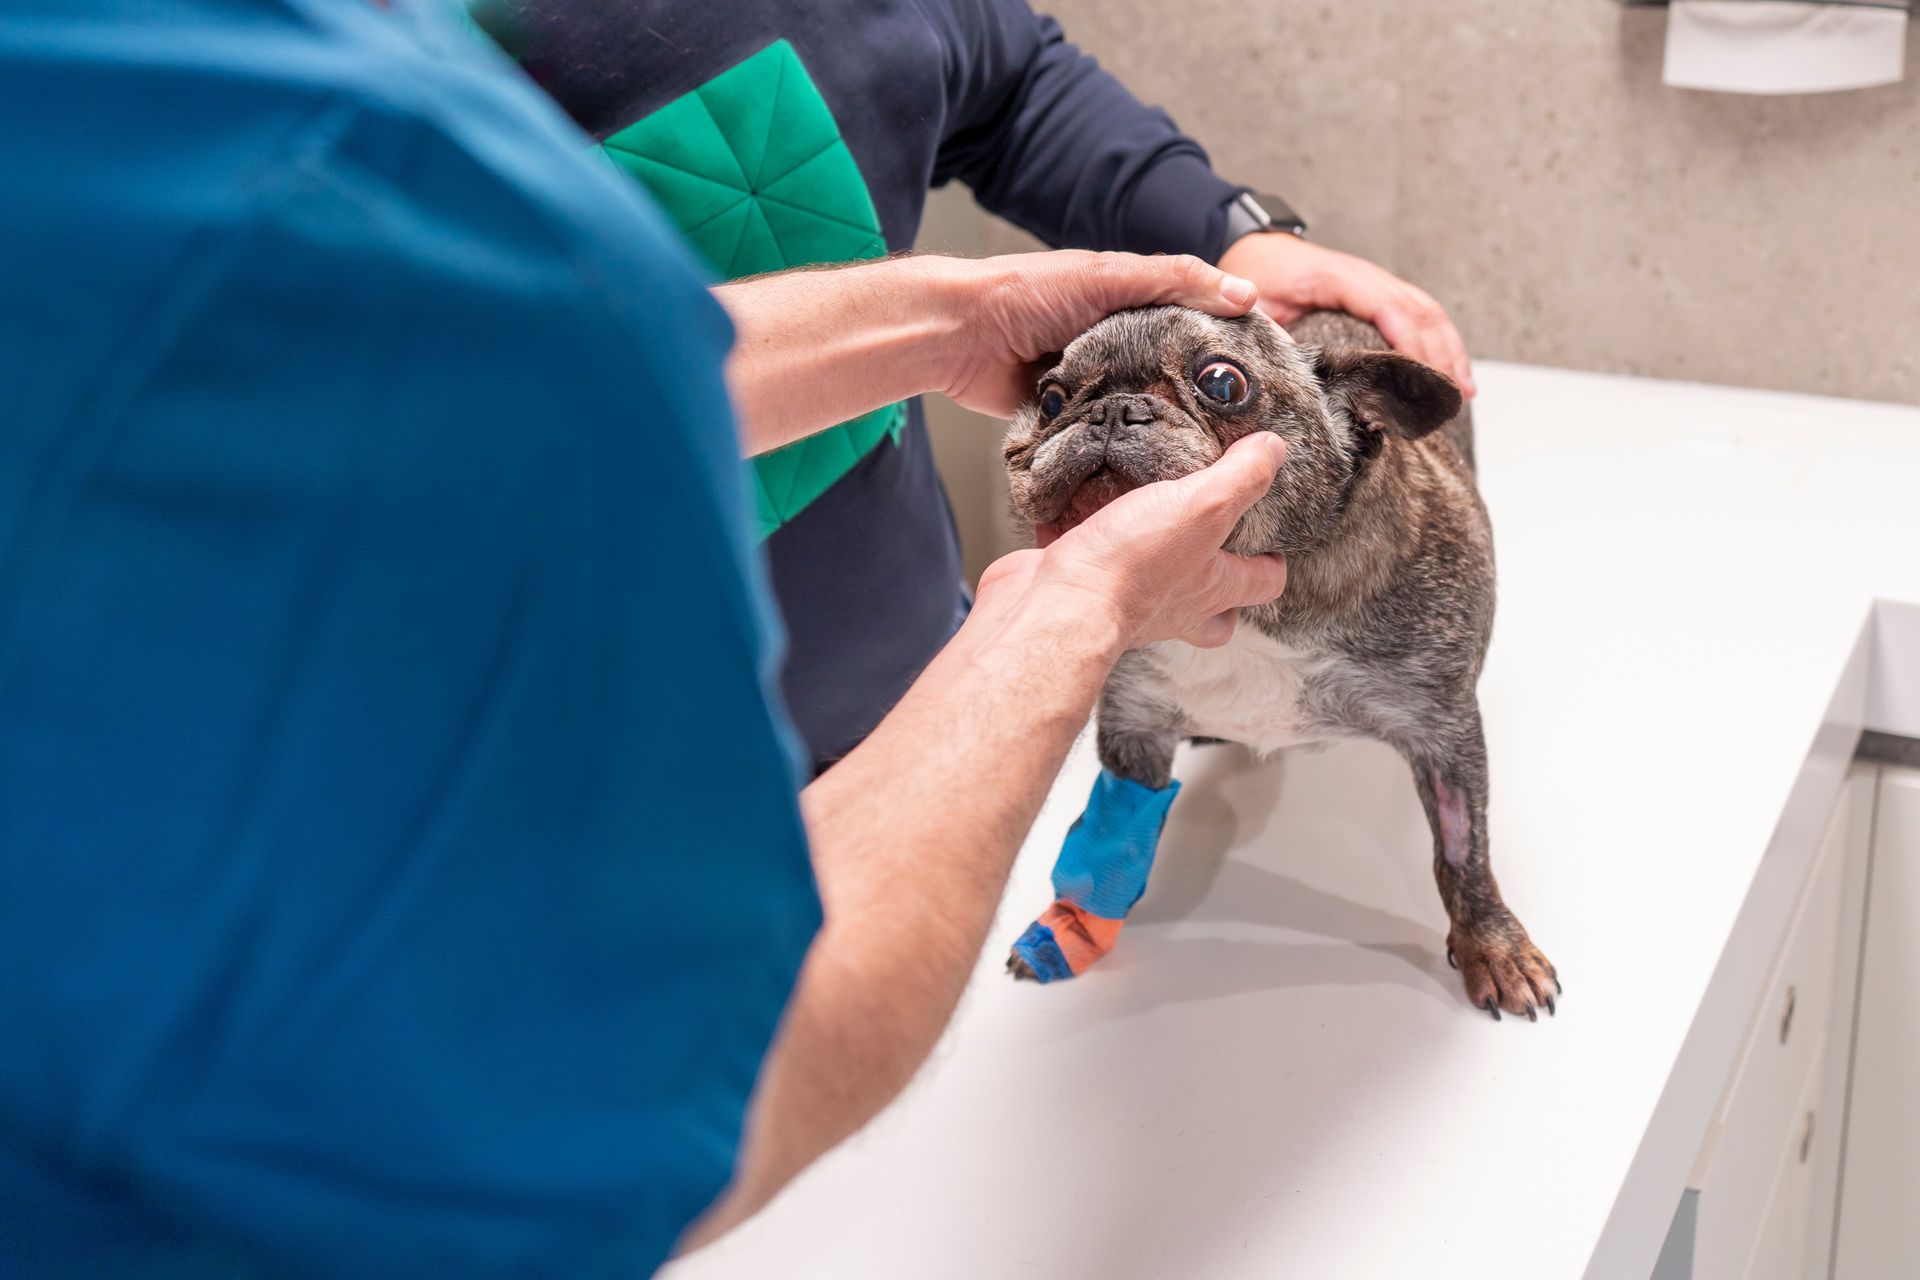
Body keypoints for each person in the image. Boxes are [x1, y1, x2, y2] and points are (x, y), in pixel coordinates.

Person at [0, 1, 1285, 1275]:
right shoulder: (367, 185)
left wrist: (955, 318)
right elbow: (706, 1067)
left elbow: (452, 388)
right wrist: (1068, 614)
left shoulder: (201, 154)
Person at [473, 0, 1473, 773]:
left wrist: (1228, 227)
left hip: (913, 690)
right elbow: (463, 392)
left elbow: (1009, 85)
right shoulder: (364, 65)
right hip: (541, 777)